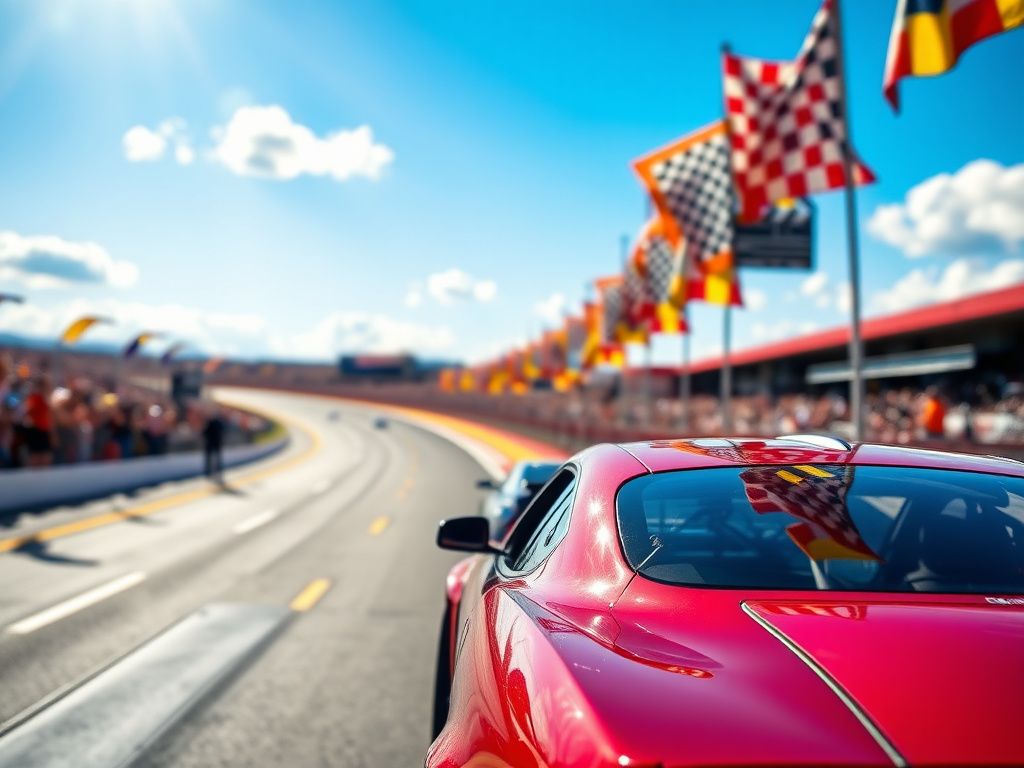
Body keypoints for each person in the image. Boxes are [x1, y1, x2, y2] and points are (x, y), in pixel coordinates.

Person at [202, 408, 226, 481]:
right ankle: (217, 472)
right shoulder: (219, 423)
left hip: (211, 444)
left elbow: (204, 432)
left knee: (211, 460)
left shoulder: (209, 422)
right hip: (216, 444)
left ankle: (209, 473)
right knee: (217, 459)